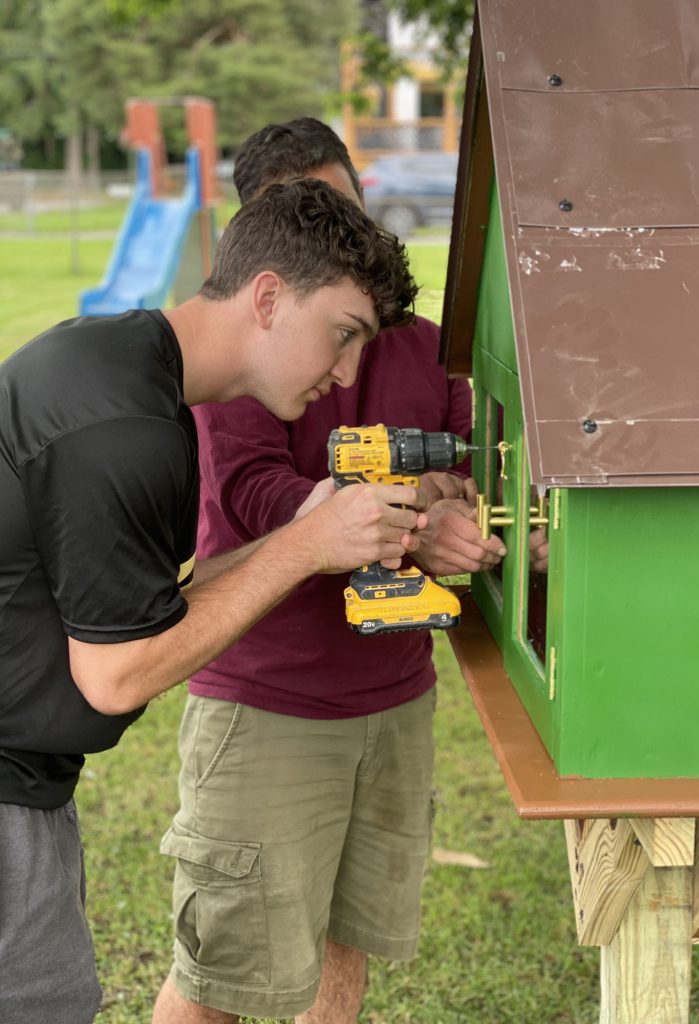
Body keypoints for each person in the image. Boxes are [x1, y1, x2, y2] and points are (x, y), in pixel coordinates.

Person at [0, 178, 425, 1024]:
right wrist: (307, 546)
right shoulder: (126, 429)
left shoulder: (117, 366)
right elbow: (117, 676)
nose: (346, 376)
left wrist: (302, 534)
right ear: (267, 297)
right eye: (343, 336)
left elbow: (153, 607)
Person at [153, 118, 521, 1024]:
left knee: (344, 947)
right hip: (270, 704)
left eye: (340, 209)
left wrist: (459, 509)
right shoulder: (241, 367)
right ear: (267, 261)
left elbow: (484, 459)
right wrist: (405, 527)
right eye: (303, 218)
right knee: (221, 979)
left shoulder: (433, 348)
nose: (334, 232)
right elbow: (253, 495)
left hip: (394, 699)